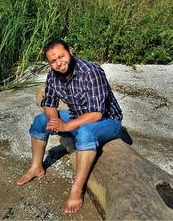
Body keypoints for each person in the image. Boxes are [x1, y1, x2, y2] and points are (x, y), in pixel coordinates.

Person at [16, 38, 123, 214]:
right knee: (40, 120)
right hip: (78, 115)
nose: (59, 63)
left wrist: (65, 126)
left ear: (70, 52)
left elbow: (96, 113)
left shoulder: (91, 71)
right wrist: (53, 120)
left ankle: (77, 189)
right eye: (53, 61)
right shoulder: (52, 77)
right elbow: (49, 103)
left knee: (87, 132)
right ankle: (36, 167)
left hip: (108, 120)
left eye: (61, 56)